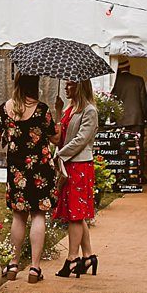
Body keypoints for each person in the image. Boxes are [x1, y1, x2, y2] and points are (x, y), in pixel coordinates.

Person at [0, 74, 57, 284]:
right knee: (38, 215)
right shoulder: (42, 110)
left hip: (16, 170)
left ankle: (13, 264)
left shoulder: (5, 108)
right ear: (35, 85)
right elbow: (56, 137)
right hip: (40, 169)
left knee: (18, 216)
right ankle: (34, 268)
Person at [52, 79, 99, 278]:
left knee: (75, 215)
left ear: (80, 86)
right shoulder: (69, 109)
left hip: (79, 165)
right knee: (76, 212)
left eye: (71, 84)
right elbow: (58, 136)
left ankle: (73, 259)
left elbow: (81, 140)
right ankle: (88, 256)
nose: (66, 87)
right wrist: (57, 111)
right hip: (69, 165)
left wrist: (60, 154)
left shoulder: (89, 111)